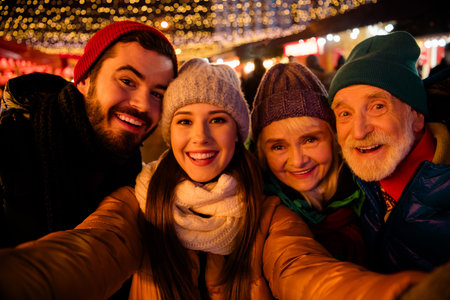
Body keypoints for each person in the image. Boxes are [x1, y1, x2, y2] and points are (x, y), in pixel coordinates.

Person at [0, 57, 434, 300]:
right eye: (185, 121)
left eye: (218, 119)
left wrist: (388, 294)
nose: (200, 138)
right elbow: (89, 250)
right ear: (169, 132)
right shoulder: (138, 202)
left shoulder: (267, 211)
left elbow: (304, 269)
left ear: (240, 133)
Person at [0, 20, 177, 248]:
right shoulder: (11, 149)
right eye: (127, 81)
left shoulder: (134, 172)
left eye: (157, 94)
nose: (143, 105)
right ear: (84, 80)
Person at [328, 31, 450, 273]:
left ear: (416, 117)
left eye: (377, 107)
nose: (359, 132)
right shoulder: (346, 185)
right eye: (345, 114)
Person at [251, 62, 367, 265]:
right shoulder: (257, 216)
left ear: (333, 137)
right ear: (262, 153)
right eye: (278, 146)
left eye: (310, 140)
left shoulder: (373, 189)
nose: (298, 160)